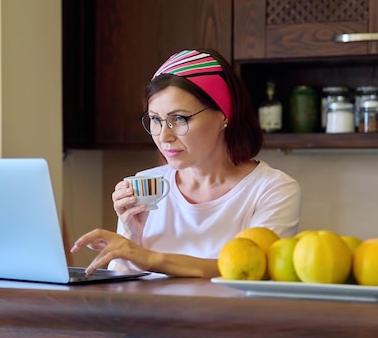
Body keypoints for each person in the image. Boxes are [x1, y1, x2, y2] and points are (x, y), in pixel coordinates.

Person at [70, 48, 301, 278]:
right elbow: (121, 293)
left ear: (224, 115)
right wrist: (132, 235)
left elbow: (253, 270)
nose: (163, 136)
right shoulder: (146, 186)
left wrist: (149, 258)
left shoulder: (272, 190)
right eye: (155, 120)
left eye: (179, 119)